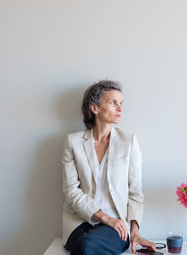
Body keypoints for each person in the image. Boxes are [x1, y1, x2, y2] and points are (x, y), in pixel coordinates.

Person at [61, 80, 156, 254]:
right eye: (113, 102)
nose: (120, 108)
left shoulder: (129, 142)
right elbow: (71, 191)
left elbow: (135, 191)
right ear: (94, 108)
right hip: (79, 222)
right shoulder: (73, 142)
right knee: (85, 243)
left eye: (121, 103)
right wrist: (104, 218)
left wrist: (134, 231)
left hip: (115, 224)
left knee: (87, 246)